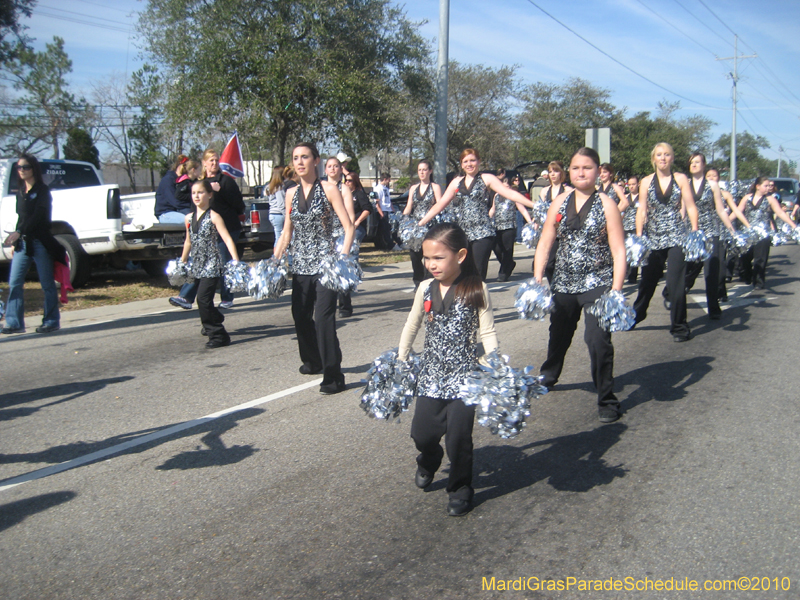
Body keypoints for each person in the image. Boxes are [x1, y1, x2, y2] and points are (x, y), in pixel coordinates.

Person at [398, 222, 498, 517]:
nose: (431, 264)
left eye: (439, 258)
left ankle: (460, 489)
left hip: (465, 376)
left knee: (459, 440)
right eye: (427, 258)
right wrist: (402, 357)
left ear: (461, 255)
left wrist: (495, 364)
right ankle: (429, 459)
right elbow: (412, 324)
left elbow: (487, 331)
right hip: (430, 374)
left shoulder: (476, 288)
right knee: (422, 434)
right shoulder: (425, 288)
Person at [532, 147, 627, 423]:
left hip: (597, 282)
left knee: (597, 340)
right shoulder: (559, 202)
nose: (581, 172)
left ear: (598, 171)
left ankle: (606, 399)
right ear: (569, 172)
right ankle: (549, 375)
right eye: (575, 167)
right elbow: (545, 242)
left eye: (587, 167)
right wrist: (537, 278)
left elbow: (619, 250)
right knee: (559, 335)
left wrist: (616, 291)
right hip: (563, 282)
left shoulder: (607, 204)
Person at [273, 142, 355, 395]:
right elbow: (287, 231)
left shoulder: (329, 189)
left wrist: (342, 259)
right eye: (296, 157)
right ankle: (313, 360)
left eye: (305, 157)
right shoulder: (290, 193)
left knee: (323, 319)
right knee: (299, 315)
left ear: (316, 160)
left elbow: (349, 227)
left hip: (325, 265)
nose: (299, 162)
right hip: (300, 265)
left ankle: (333, 376)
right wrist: (274, 260)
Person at [418, 148, 534, 280]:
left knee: (477, 272)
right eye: (465, 161)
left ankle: (477, 291)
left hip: (482, 232)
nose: (469, 164)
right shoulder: (456, 182)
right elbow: (440, 204)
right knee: (460, 272)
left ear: (479, 161)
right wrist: (422, 222)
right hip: (463, 233)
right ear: (461, 165)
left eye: (472, 160)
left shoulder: (487, 178)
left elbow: (510, 194)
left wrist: (533, 205)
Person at [632, 142, 699, 342]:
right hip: (653, 238)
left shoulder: (681, 179)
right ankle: (636, 315)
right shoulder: (646, 181)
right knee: (647, 282)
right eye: (659, 154)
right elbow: (641, 210)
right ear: (654, 158)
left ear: (672, 158)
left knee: (675, 283)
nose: (663, 158)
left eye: (667, 154)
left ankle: (679, 327)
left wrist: (695, 231)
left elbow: (691, 206)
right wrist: (639, 236)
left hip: (677, 236)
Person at [169, 148, 245, 310]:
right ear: (204, 163)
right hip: (205, 230)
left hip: (226, 227)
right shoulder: (200, 183)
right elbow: (192, 203)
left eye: (217, 160)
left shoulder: (226, 181)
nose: (214, 163)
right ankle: (186, 297)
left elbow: (239, 205)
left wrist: (221, 191)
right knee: (199, 260)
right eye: (211, 160)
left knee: (224, 262)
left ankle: (227, 297)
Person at [2, 154, 66, 334]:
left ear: (34, 169)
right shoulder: (21, 192)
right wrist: (16, 240)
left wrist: (20, 231)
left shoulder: (42, 190)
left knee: (47, 284)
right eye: (19, 167)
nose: (21, 170)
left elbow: (39, 216)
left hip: (40, 242)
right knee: (14, 282)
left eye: (26, 167)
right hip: (23, 243)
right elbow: (21, 218)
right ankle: (14, 323)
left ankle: (51, 321)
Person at [682, 153, 747, 318]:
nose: (694, 165)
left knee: (711, 271)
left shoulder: (712, 185)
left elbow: (720, 210)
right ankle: (673, 292)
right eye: (691, 162)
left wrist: (731, 229)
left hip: (711, 231)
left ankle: (713, 307)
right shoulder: (685, 184)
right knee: (689, 267)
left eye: (697, 162)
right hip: (692, 232)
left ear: (703, 165)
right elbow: (682, 210)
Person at [179, 180, 241, 349]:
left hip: (212, 264)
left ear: (209, 195)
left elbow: (227, 238)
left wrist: (235, 260)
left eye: (200, 192)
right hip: (197, 264)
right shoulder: (188, 218)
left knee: (203, 299)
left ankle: (218, 335)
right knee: (204, 301)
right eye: (193, 193)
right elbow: (188, 241)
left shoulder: (214, 216)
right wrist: (182, 261)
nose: (196, 196)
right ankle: (214, 318)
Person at [738, 176, 797, 290]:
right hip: (748, 232)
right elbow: (738, 211)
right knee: (744, 257)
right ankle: (747, 274)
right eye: (765, 186)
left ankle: (758, 282)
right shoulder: (747, 197)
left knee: (760, 258)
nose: (768, 188)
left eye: (769, 186)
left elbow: (780, 212)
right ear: (758, 186)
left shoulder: (770, 199)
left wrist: (793, 225)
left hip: (763, 233)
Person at [338, 170, 373, 317]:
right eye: (345, 180)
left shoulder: (358, 194)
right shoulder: (338, 193)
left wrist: (357, 222)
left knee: (348, 258)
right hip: (339, 230)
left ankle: (352, 274)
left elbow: (368, 209)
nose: (347, 183)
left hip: (356, 229)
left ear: (355, 182)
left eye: (350, 180)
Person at [402, 159, 442, 287]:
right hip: (416, 226)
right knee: (414, 255)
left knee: (429, 255)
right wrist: (403, 219)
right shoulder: (413, 188)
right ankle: (418, 281)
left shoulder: (435, 187)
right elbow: (409, 206)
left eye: (424, 170)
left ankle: (429, 280)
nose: (422, 172)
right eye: (419, 170)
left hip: (430, 225)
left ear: (430, 171)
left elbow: (440, 205)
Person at [537, 161, 574, 283]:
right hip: (549, 230)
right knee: (548, 264)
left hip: (564, 230)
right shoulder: (544, 191)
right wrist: (536, 222)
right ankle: (553, 285)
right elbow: (540, 211)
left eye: (556, 171)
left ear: (561, 173)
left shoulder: (569, 190)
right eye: (550, 171)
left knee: (564, 262)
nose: (552, 174)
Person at [489, 177, 532, 282]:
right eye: (503, 187)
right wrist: (487, 219)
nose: (505, 189)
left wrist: (530, 222)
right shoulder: (496, 196)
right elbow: (493, 210)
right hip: (497, 226)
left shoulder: (513, 196)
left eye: (507, 187)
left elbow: (522, 209)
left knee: (507, 249)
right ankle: (509, 264)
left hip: (509, 226)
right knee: (497, 248)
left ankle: (503, 273)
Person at [155, 154, 190, 224]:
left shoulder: (183, 180)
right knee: (190, 220)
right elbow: (176, 202)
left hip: (178, 211)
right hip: (165, 213)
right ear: (180, 167)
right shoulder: (168, 180)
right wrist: (191, 205)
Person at [623, 175, 640, 283]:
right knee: (626, 251)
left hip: (637, 227)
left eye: (633, 184)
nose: (631, 187)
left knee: (635, 252)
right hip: (626, 227)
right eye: (629, 185)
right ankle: (626, 272)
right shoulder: (625, 197)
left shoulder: (642, 197)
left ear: (638, 184)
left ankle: (633, 275)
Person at [373, 172, 396, 250]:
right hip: (383, 210)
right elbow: (377, 202)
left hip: (388, 210)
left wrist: (392, 209)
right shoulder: (378, 188)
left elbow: (389, 200)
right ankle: (389, 245)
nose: (389, 181)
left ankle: (386, 244)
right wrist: (381, 213)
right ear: (385, 179)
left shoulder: (386, 188)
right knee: (384, 230)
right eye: (388, 180)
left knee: (389, 228)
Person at [266, 166, 286, 249]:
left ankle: (277, 254)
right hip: (279, 214)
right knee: (280, 238)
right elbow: (281, 204)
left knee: (277, 237)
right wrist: (287, 216)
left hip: (272, 214)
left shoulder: (269, 186)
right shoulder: (279, 188)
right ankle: (277, 255)